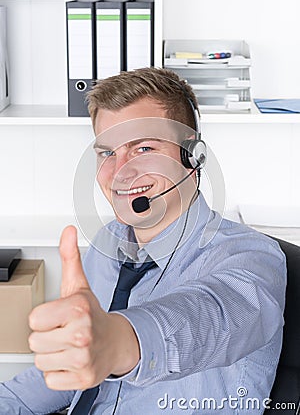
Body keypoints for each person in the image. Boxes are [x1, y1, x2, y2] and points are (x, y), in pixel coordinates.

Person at [0, 68, 286, 414]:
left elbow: (207, 319)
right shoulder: (107, 245)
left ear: (193, 157)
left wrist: (118, 341)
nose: (119, 172)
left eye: (143, 148)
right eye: (107, 153)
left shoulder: (252, 257)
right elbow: (64, 374)